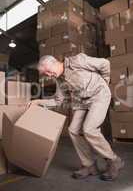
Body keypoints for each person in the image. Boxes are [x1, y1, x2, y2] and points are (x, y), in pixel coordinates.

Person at [27, 53, 124, 181]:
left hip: (99, 96)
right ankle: (89, 165)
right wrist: (37, 102)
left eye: (48, 72)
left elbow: (105, 63)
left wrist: (104, 82)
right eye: (46, 75)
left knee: (89, 129)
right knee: (73, 130)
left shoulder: (78, 61)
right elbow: (58, 101)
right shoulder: (60, 80)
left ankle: (114, 160)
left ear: (54, 63)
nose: (49, 76)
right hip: (81, 101)